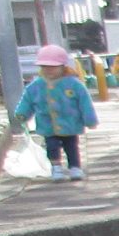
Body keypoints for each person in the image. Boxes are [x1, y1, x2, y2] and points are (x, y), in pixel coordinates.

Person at [14, 44, 98, 182]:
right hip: (47, 124)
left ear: (63, 66)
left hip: (70, 123)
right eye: (44, 67)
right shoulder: (36, 86)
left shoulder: (74, 84)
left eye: (53, 67)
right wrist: (22, 113)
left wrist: (90, 120)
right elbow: (27, 101)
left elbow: (85, 103)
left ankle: (75, 167)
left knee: (71, 146)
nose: (48, 70)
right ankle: (56, 167)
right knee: (52, 147)